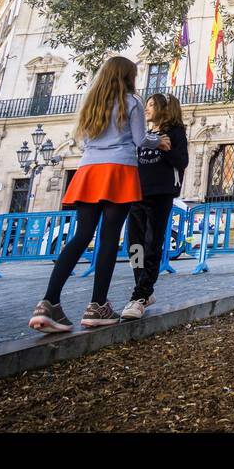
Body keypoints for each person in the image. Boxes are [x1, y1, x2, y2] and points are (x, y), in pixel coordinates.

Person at [28, 56, 166, 332]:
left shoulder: (91, 101)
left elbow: (84, 140)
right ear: (127, 75)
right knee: (109, 238)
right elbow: (139, 139)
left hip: (89, 169)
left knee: (81, 235)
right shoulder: (132, 101)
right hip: (119, 170)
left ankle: (48, 302)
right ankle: (97, 305)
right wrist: (158, 140)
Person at [120, 93, 188, 320]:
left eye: (151, 105)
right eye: (146, 105)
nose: (146, 109)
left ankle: (140, 295)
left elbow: (182, 161)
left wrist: (167, 150)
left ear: (163, 109)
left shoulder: (175, 132)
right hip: (136, 193)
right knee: (134, 244)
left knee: (152, 243)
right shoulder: (143, 133)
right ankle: (143, 286)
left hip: (160, 193)